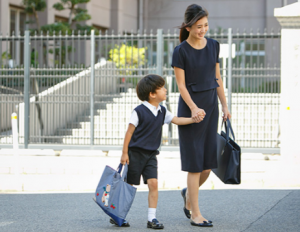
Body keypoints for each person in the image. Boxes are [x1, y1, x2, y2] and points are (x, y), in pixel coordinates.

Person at [171, 4, 231, 228]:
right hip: (191, 110)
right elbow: (181, 86)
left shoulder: (214, 46)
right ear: (188, 27)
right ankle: (196, 214)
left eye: (205, 25)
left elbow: (217, 78)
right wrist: (194, 108)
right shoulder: (181, 51)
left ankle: (188, 194)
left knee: (207, 165)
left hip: (211, 108)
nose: (203, 30)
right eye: (198, 26)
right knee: (195, 165)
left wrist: (224, 105)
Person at [115, 74, 201, 229]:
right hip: (135, 154)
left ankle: (151, 218)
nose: (165, 90)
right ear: (152, 94)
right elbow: (129, 133)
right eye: (162, 88)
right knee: (130, 185)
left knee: (153, 184)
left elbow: (176, 120)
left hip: (151, 155)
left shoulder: (162, 111)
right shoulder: (138, 112)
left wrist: (193, 119)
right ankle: (118, 215)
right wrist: (124, 153)